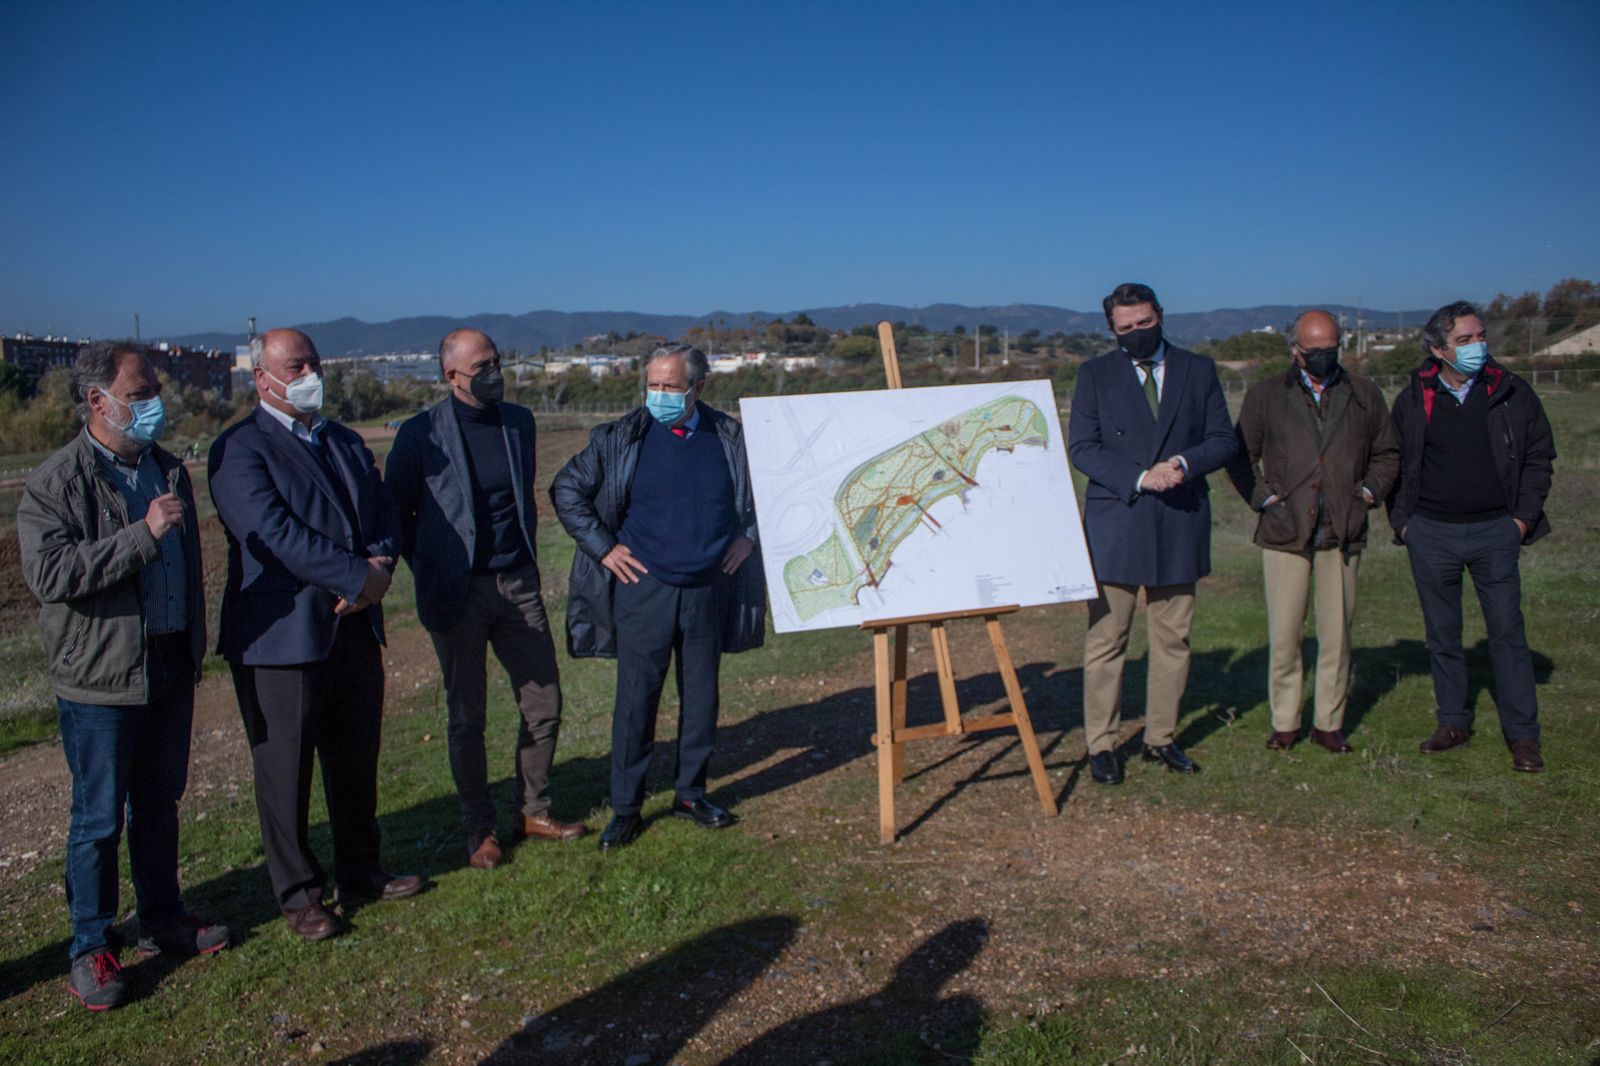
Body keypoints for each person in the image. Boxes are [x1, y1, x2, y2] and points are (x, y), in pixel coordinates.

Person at [17, 341, 229, 1011]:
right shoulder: (58, 480)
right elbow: (50, 576)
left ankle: (162, 920)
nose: (153, 403)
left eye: (155, 389)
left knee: (160, 803)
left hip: (167, 661)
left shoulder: (167, 470)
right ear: (97, 401)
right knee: (98, 819)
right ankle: (91, 946)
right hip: (101, 678)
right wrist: (142, 535)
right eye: (140, 393)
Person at [208, 328, 422, 941]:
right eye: (295, 364)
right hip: (282, 637)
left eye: (314, 362)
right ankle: (300, 894)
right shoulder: (240, 450)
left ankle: (362, 870)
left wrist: (378, 568)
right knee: (285, 771)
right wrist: (356, 577)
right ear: (262, 378)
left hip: (354, 627)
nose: (309, 372)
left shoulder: (345, 440)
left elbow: (382, 512)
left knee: (355, 761)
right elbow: (274, 533)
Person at [549, 343, 766, 850]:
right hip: (643, 588)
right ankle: (626, 808)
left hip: (708, 588)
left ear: (699, 387)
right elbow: (567, 490)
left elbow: (765, 494)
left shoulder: (731, 437)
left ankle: (691, 794)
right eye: (653, 385)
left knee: (701, 698)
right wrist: (604, 548)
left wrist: (748, 535)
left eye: (671, 386)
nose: (660, 395)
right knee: (636, 702)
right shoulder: (620, 438)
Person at [387, 328, 586, 871]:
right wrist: (431, 569)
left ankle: (534, 809)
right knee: (466, 717)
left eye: (498, 361)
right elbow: (396, 516)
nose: (495, 372)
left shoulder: (517, 423)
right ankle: (480, 831)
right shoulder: (418, 434)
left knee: (544, 702)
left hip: (518, 584)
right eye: (483, 365)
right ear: (452, 376)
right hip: (458, 593)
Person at [1067, 282, 1237, 784]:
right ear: (1111, 330)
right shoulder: (1094, 375)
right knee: (1106, 640)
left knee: (1173, 639)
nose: (1137, 333)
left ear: (1160, 316)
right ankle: (1101, 743)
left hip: (1178, 519)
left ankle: (1160, 738)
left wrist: (1183, 463)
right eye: (1126, 328)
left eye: (1144, 323)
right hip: (1117, 521)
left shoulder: (1198, 369)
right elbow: (1082, 447)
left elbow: (1223, 438)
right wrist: (1141, 478)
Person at [1388, 301, 1555, 772]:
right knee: (1443, 635)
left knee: (1507, 633)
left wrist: (1520, 520)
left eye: (1480, 336)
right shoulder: (1413, 398)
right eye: (1464, 340)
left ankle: (1523, 736)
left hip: (1494, 532)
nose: (1477, 346)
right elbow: (1395, 461)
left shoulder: (1511, 391)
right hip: (1432, 533)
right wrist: (1405, 524)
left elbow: (1540, 455)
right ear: (1439, 349)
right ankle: (1453, 723)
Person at [1227, 311, 1399, 752]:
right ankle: (1285, 722)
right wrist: (1266, 501)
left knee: (1337, 636)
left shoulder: (1364, 394)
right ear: (1295, 350)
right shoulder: (1266, 396)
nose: (1324, 358)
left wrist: (1366, 495)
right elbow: (1240, 455)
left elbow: (1387, 454)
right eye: (1314, 351)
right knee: (1285, 636)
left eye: (1331, 350)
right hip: (1285, 533)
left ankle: (1328, 722)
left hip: (1342, 532)